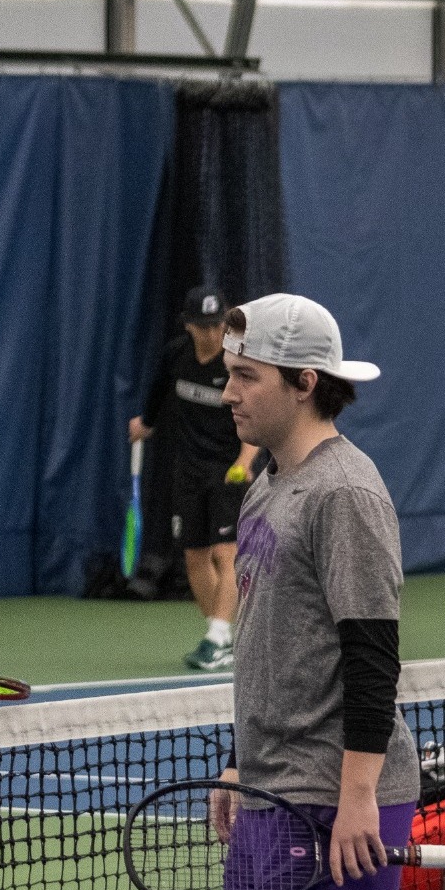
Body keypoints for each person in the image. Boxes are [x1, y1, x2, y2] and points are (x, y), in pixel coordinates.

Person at [208, 293, 420, 890]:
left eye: (243, 375)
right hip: (270, 781)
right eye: (227, 373)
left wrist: (357, 793)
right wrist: (238, 759)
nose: (227, 391)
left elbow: (371, 657)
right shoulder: (265, 482)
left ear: (302, 382)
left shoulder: (345, 493)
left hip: (335, 790)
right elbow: (269, 640)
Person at [129, 284, 259, 671]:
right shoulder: (176, 356)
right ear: (188, 326)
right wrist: (145, 425)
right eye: (202, 325)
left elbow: (256, 418)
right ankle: (219, 636)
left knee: (226, 554)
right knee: (194, 558)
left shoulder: (236, 364)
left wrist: (246, 459)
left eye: (216, 324)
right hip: (186, 470)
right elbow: (156, 395)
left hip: (228, 471)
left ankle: (217, 636)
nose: (210, 332)